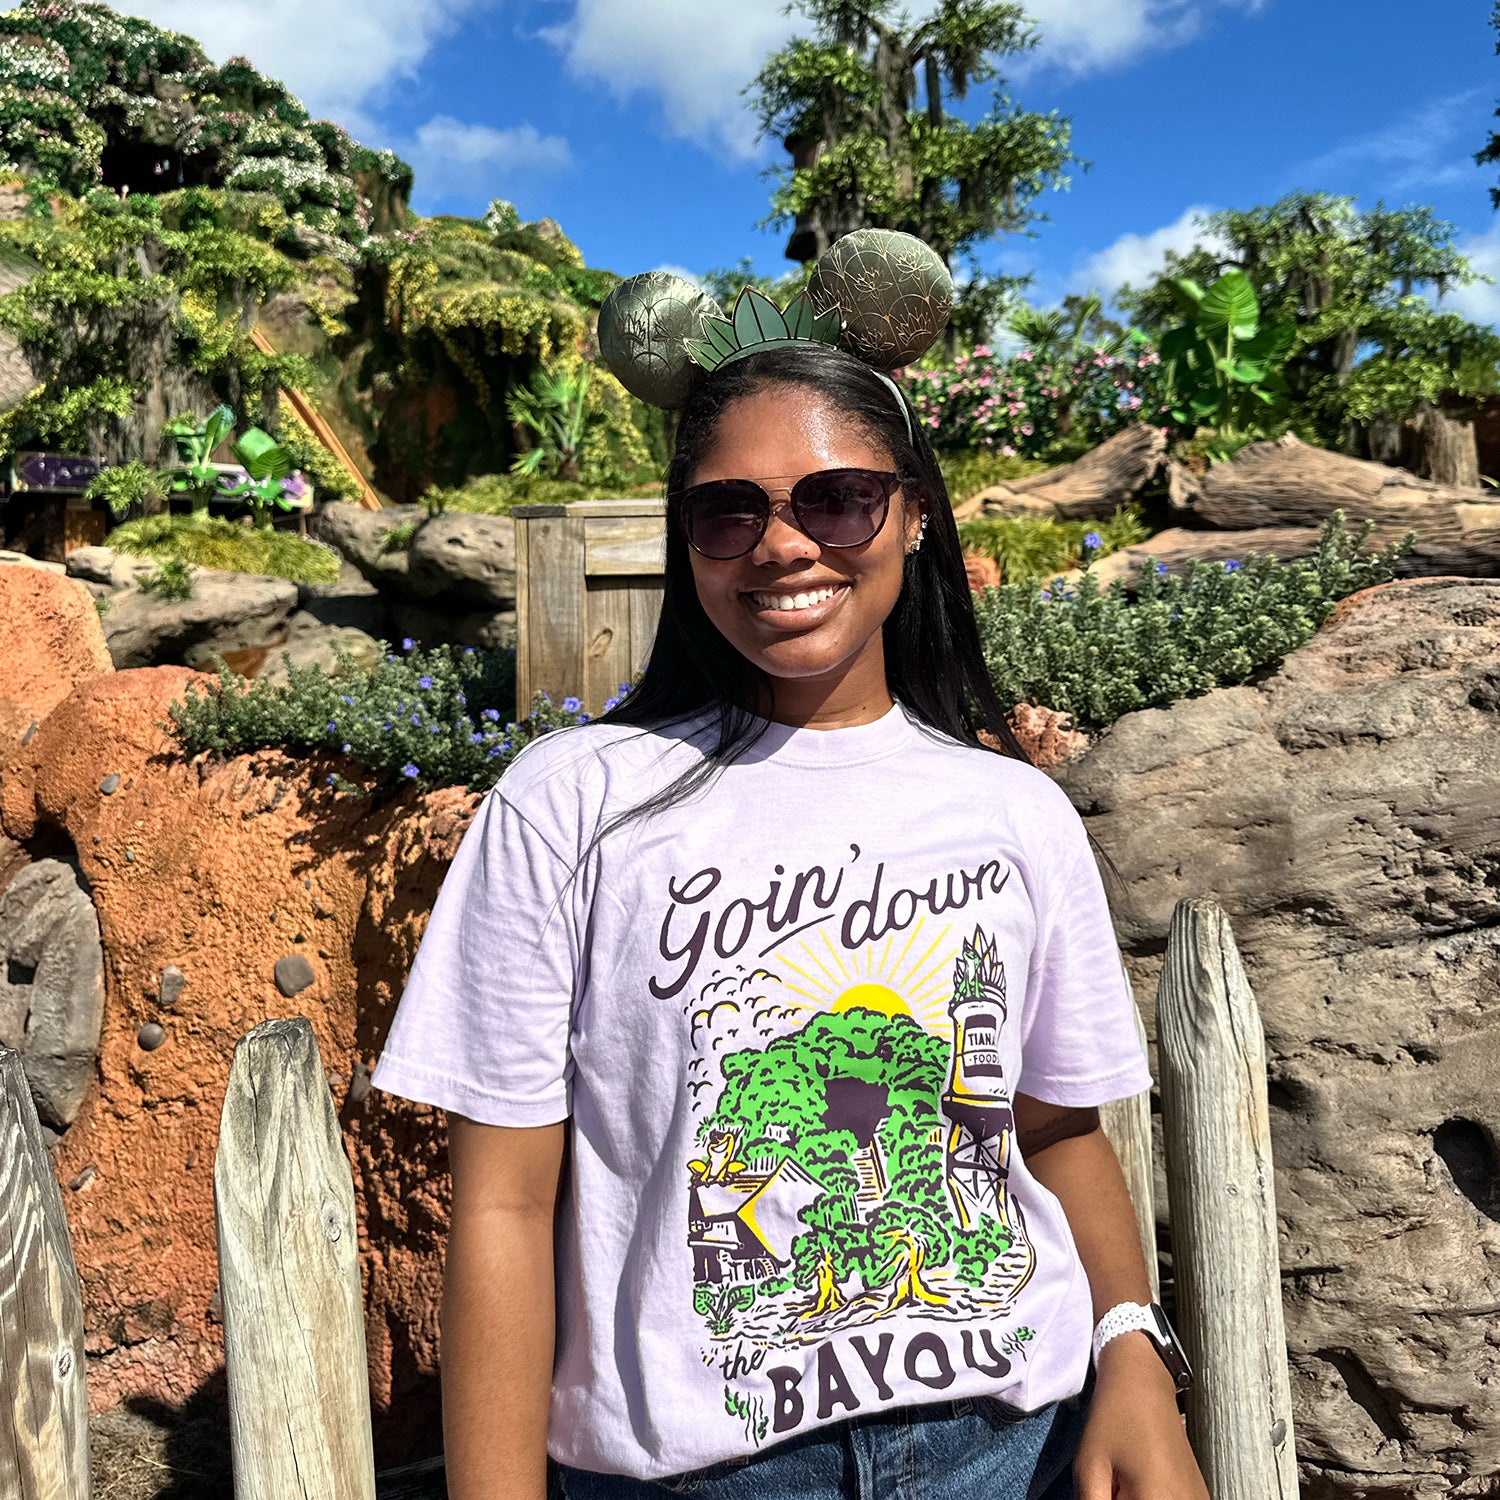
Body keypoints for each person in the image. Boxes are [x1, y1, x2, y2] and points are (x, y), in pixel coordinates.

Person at [373, 239, 1210, 1500]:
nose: (782, 545)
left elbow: (1055, 1134)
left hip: (1011, 1449)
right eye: (730, 510)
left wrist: (1133, 1353)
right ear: (688, 539)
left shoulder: (1015, 813)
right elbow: (499, 1210)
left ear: (915, 516)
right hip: (700, 1474)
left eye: (837, 499)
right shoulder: (573, 806)